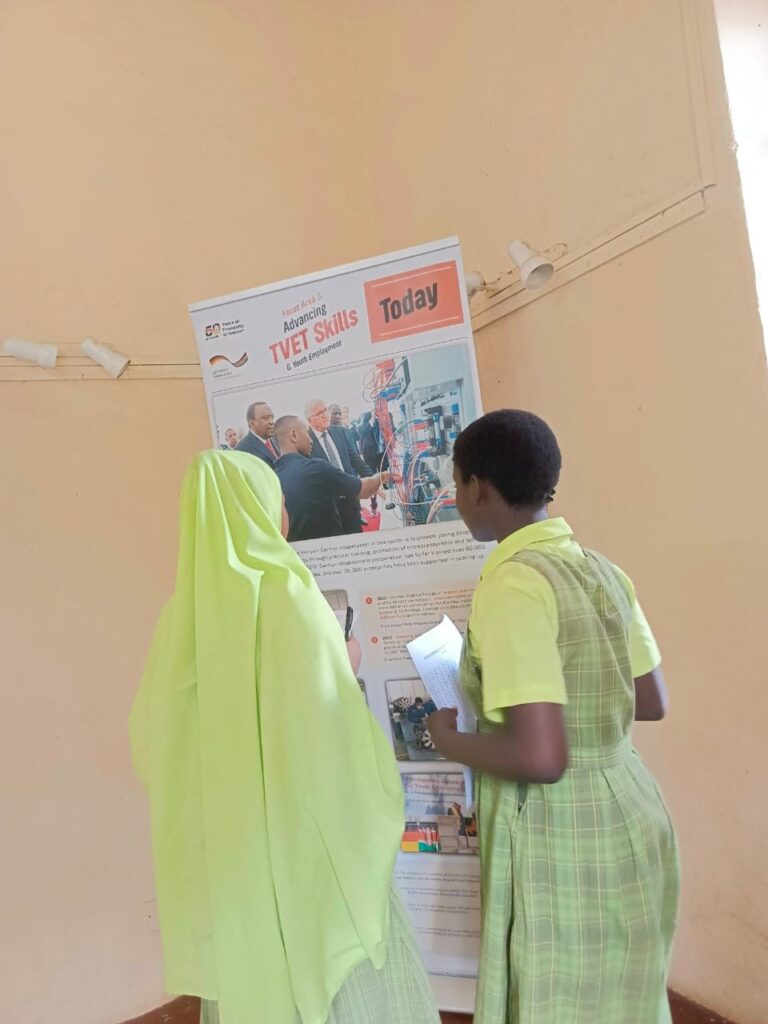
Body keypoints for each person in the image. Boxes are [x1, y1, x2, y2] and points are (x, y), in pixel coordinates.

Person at [129, 451, 439, 1024]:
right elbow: (330, 730)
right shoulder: (290, 597)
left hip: (234, 848)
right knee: (348, 982)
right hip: (307, 848)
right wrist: (344, 665)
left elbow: (156, 742)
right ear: (262, 508)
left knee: (255, 971)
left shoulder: (180, 618)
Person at [427, 409, 679, 1024]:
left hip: (563, 829)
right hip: (633, 806)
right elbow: (650, 700)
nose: (458, 496)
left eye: (457, 483)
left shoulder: (514, 584)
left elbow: (541, 758)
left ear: (478, 488)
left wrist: (449, 740)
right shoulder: (602, 570)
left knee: (555, 1001)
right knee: (623, 994)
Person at [274, 416, 385, 542]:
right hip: (331, 550)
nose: (311, 440)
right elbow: (365, 489)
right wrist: (384, 476)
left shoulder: (271, 479)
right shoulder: (316, 468)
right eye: (307, 433)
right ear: (294, 435)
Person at [305, 399, 373, 534]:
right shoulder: (306, 440)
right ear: (309, 420)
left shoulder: (340, 432)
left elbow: (354, 458)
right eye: (319, 413)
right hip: (327, 506)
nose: (325, 415)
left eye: (325, 410)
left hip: (349, 499)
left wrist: (373, 478)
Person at [235, 401, 279, 466]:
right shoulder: (242, 450)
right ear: (252, 424)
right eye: (266, 418)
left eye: (272, 417)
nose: (271, 422)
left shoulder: (276, 440)